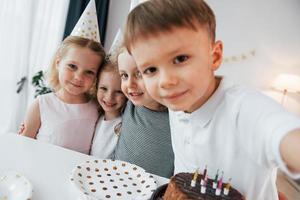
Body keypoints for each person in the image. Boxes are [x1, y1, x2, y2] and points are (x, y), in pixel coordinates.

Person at [123, 0, 300, 199]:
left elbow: (283, 135)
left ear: (214, 56)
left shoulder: (245, 109)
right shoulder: (178, 102)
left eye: (180, 59)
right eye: (151, 69)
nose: (166, 81)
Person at [20, 36, 106, 154]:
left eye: (89, 72)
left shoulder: (97, 107)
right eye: (72, 66)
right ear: (58, 63)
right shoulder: (41, 105)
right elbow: (24, 146)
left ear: (96, 76)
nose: (79, 77)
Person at [112, 48, 174, 178]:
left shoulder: (176, 117)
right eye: (124, 75)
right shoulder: (130, 104)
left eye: (139, 74)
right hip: (115, 182)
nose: (130, 84)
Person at [90, 58, 127, 158]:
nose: (109, 97)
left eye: (119, 92)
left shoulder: (126, 124)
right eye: (104, 88)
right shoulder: (95, 116)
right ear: (96, 87)